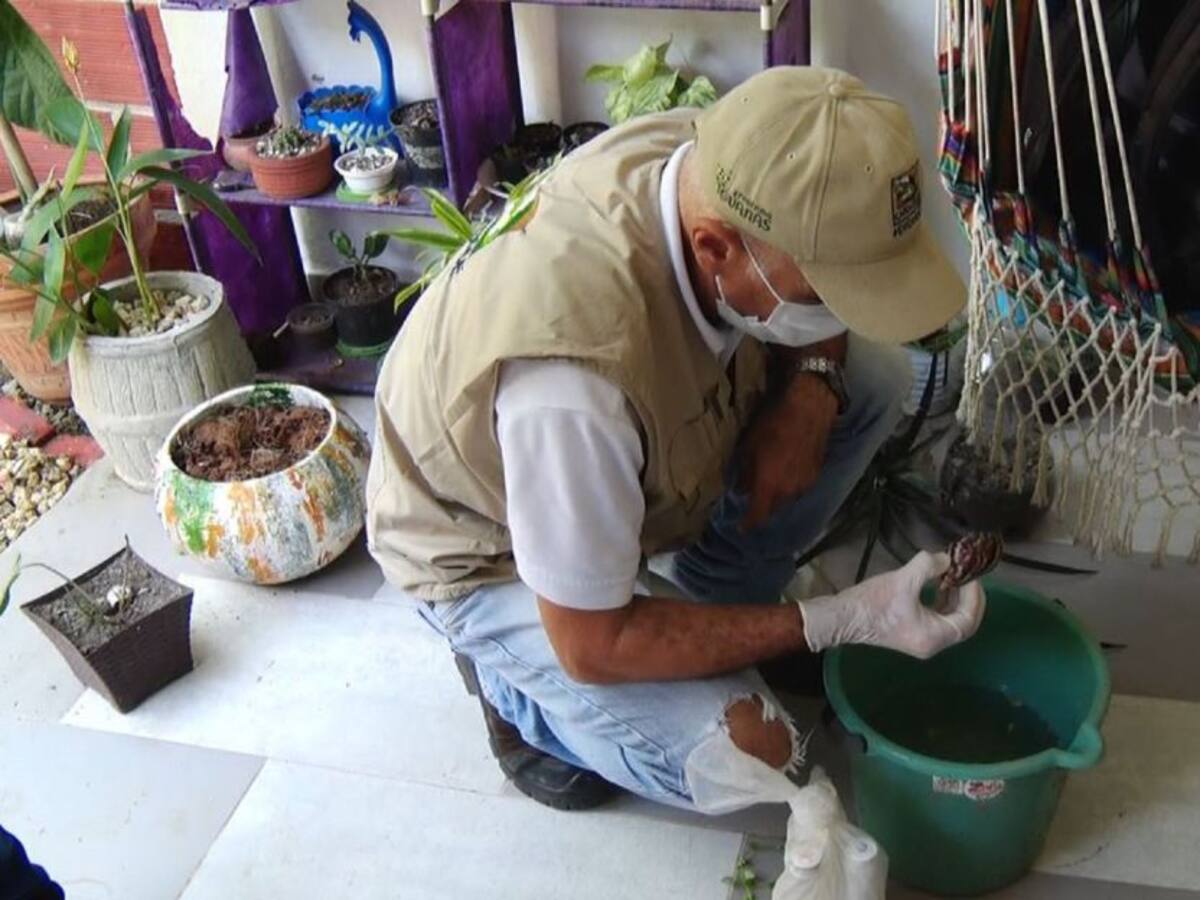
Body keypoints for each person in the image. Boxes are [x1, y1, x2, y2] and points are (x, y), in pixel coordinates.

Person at [367, 66, 985, 813]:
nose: (837, 314)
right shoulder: (571, 388)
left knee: (874, 379)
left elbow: (816, 326)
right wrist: (836, 618)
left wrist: (815, 382)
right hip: (482, 545)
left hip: (628, 434)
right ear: (716, 247)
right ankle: (515, 696)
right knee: (758, 753)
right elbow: (594, 645)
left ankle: (721, 593)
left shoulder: (729, 155)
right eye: (826, 293)